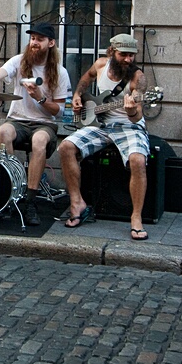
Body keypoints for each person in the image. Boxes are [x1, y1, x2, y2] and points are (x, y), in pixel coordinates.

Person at [57, 33, 151, 240]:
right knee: (66, 147)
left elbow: (137, 117)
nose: (128, 59)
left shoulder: (138, 77)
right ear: (111, 52)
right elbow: (85, 79)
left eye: (131, 55)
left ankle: (136, 217)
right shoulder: (100, 65)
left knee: (138, 160)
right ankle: (77, 202)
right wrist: (77, 96)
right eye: (123, 55)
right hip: (100, 125)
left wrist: (131, 110)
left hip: (129, 126)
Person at [0, 22, 70, 226]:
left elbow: (60, 111)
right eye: (32, 38)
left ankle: (30, 200)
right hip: (17, 120)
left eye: (39, 39)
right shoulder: (19, 61)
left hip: (44, 124)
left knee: (38, 141)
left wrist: (41, 98)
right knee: (3, 131)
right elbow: (0, 73)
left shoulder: (60, 72)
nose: (34, 43)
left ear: (51, 43)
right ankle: (13, 189)